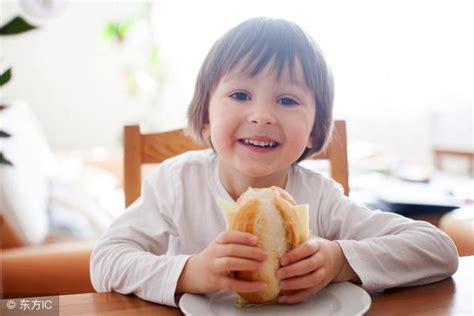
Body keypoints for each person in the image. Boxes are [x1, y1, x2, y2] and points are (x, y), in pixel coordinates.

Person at [90, 17, 458, 307]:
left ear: (315, 131)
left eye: (287, 100)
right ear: (205, 118)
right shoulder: (177, 183)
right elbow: (105, 260)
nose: (262, 115)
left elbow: (438, 249)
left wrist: (339, 261)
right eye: (239, 94)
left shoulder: (321, 198)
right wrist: (189, 272)